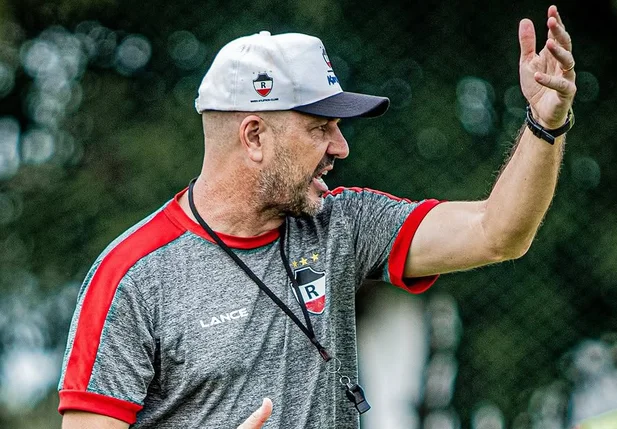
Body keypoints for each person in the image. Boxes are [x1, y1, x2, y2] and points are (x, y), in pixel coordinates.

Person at [57, 4, 576, 428]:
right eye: (319, 128)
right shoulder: (132, 277)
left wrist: (545, 123)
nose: (341, 147)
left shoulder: (342, 223)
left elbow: (497, 232)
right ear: (255, 136)